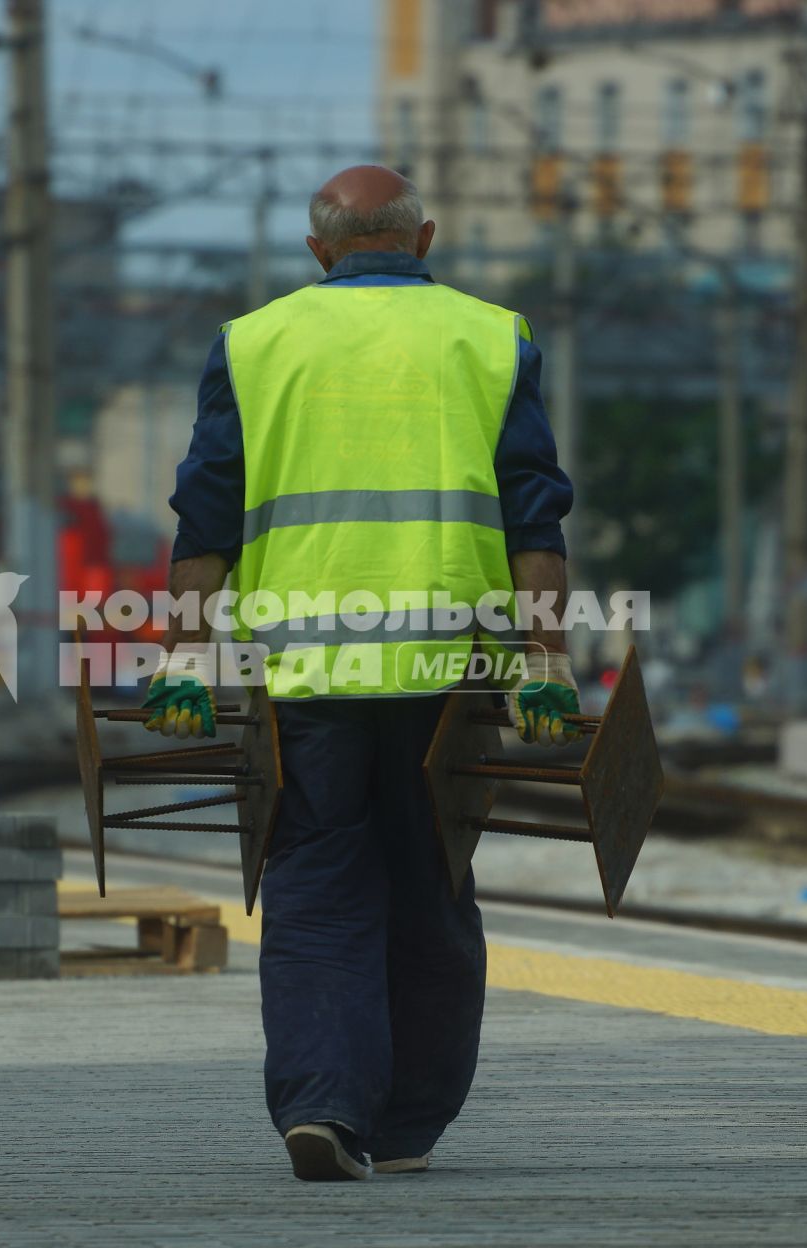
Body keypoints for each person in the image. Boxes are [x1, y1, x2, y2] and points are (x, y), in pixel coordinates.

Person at [142, 165, 579, 1181]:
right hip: (447, 673)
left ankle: (323, 1106)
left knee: (315, 882)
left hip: (304, 676)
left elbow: (204, 513)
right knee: (429, 884)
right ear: (421, 239)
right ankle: (409, 1125)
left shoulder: (252, 344)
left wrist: (183, 658)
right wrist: (544, 662)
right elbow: (533, 516)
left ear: (317, 250)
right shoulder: (489, 336)